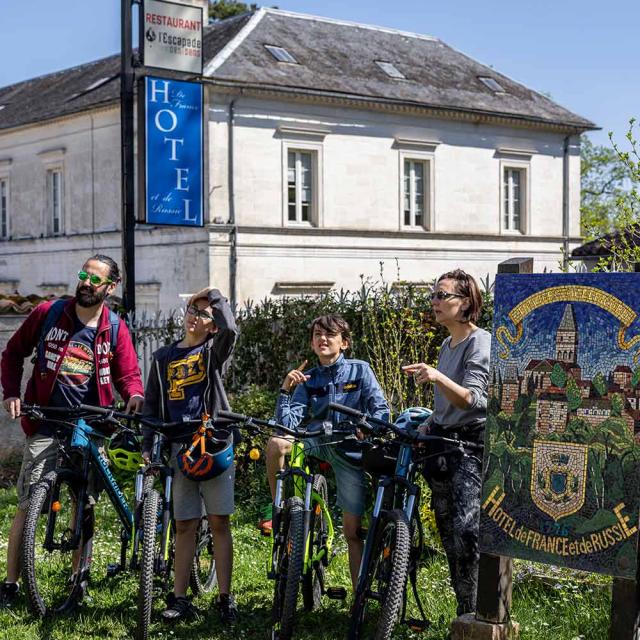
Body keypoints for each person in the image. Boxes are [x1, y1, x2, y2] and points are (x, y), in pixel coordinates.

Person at [0, 254, 144, 607]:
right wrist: (12, 393)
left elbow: (128, 375)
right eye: (83, 275)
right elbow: (13, 352)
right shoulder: (49, 313)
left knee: (86, 503)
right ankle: (11, 583)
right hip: (48, 421)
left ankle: (79, 580)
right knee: (28, 501)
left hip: (91, 424)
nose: (86, 283)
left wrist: (135, 396)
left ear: (110, 287)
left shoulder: (114, 327)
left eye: (95, 279)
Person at [265, 314, 390, 590]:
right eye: (317, 335)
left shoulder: (361, 370)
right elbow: (288, 425)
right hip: (316, 443)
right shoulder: (308, 378)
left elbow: (381, 411)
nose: (322, 339)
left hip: (349, 449)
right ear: (311, 343)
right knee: (277, 444)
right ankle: (281, 512)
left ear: (344, 343)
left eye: (330, 335)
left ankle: (358, 598)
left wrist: (366, 427)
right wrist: (286, 389)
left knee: (352, 532)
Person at [141, 287, 239, 624]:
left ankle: (225, 598)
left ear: (211, 326)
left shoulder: (214, 351)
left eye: (203, 314)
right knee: (184, 524)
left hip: (214, 445)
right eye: (191, 311)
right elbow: (152, 405)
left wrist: (212, 295)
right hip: (179, 448)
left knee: (219, 522)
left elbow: (231, 329)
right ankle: (180, 598)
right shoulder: (163, 357)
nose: (194, 316)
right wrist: (148, 445)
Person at [403, 269, 490, 617]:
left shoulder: (478, 341)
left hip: (469, 448)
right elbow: (446, 405)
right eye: (434, 296)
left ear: (465, 302)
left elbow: (474, 400)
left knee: (468, 533)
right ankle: (463, 612)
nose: (435, 303)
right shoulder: (446, 343)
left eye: (443, 296)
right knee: (449, 535)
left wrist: (437, 376)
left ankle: (478, 613)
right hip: (441, 444)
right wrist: (428, 422)